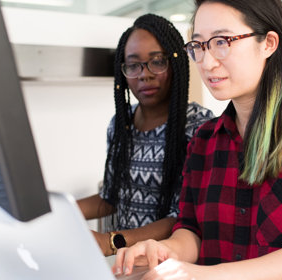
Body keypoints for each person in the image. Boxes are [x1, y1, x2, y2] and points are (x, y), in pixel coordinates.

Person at [113, 0, 282, 279]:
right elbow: (191, 230)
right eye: (198, 46)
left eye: (222, 41)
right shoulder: (204, 139)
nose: (206, 62)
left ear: (268, 43)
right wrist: (165, 250)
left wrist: (205, 275)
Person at [77, 14, 213, 257]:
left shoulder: (198, 127)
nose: (144, 74)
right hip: (126, 262)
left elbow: (183, 217)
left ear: (175, 64)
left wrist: (111, 242)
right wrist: (58, 212)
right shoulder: (121, 124)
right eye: (133, 65)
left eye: (157, 62)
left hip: (170, 261)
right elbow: (111, 197)